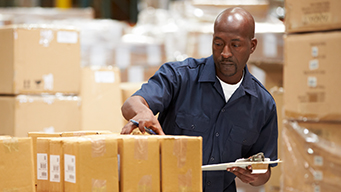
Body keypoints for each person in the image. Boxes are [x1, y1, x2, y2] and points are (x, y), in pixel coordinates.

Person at [121, 7, 278, 192]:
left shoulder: (263, 105)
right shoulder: (179, 77)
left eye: (235, 45)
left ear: (252, 46)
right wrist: (142, 112)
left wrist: (256, 176)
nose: (225, 53)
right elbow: (132, 103)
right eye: (218, 44)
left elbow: (265, 171)